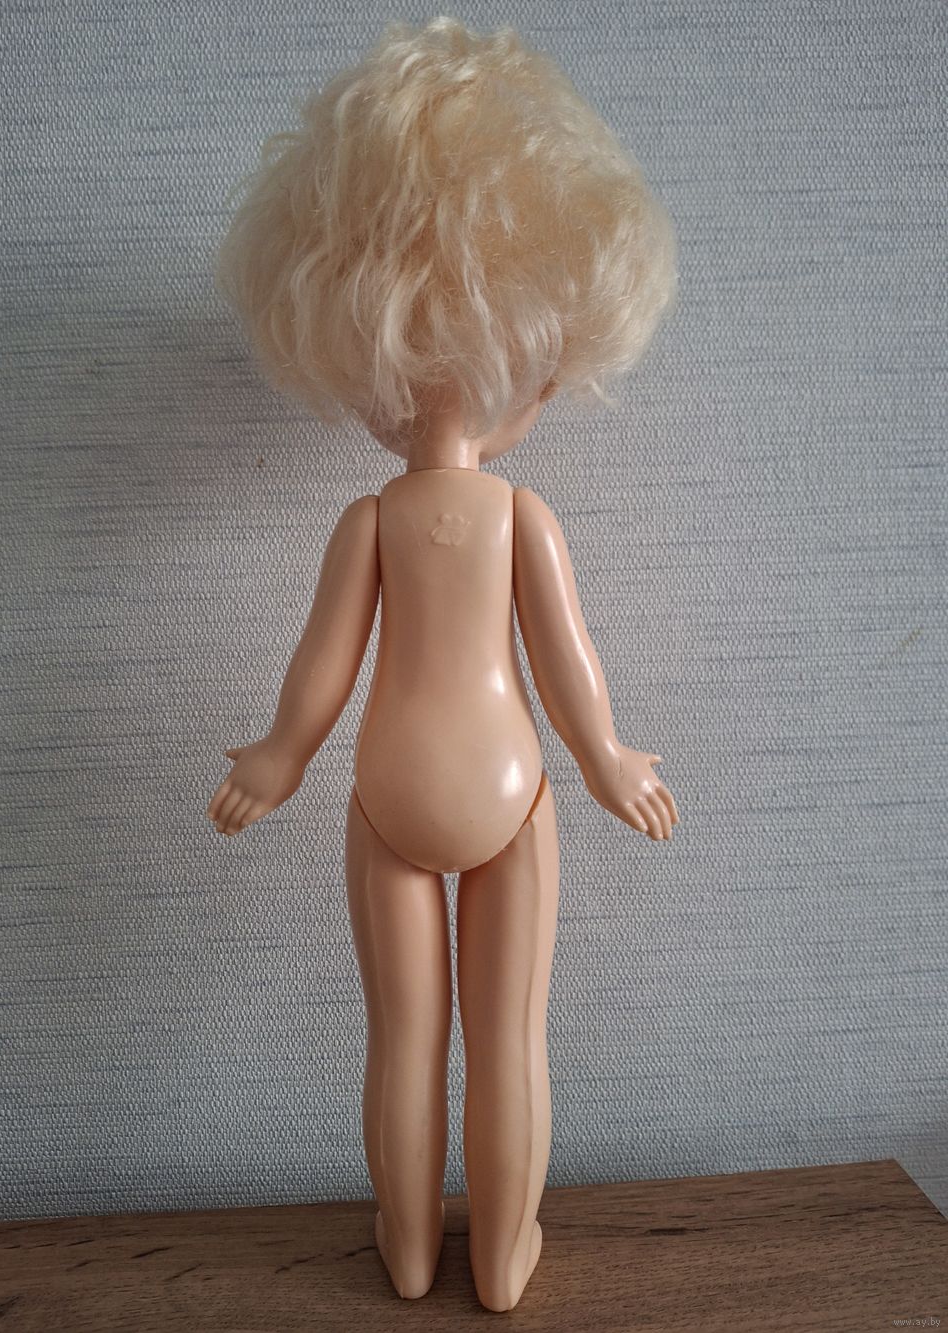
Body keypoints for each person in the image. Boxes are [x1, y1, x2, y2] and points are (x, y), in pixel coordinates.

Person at [206, 17, 679, 1312]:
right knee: (508, 1040)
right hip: (512, 792)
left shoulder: (370, 520)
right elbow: (566, 664)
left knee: (406, 1041)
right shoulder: (523, 517)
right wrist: (606, 760)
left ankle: (408, 1247)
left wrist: (279, 758)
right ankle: (504, 1254)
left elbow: (321, 669)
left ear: (360, 372)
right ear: (535, 378)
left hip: (388, 792)